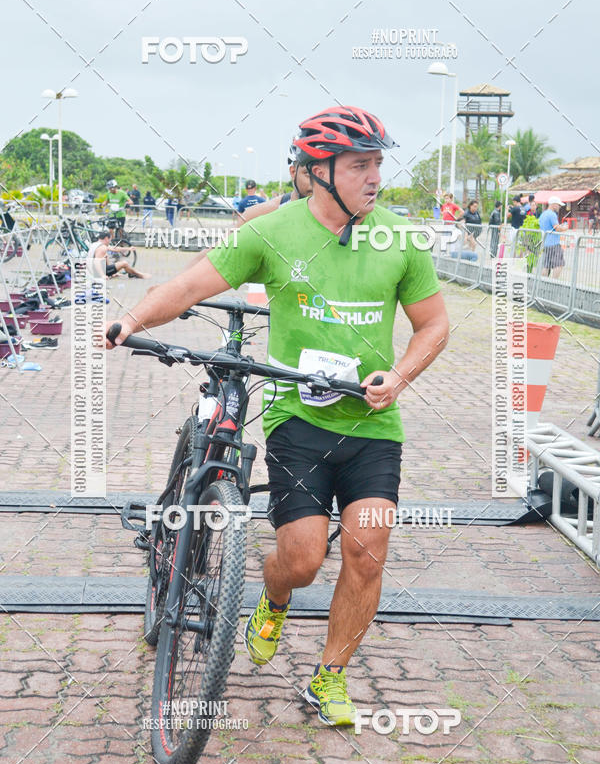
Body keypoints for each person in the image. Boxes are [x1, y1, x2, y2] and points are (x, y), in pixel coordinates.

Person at [106, 105, 449, 727]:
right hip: (299, 416)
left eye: (378, 164)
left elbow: (434, 325)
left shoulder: (398, 238)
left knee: (368, 550)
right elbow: (189, 287)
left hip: (373, 425)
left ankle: (329, 677)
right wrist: (131, 320)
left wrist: (400, 376)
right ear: (319, 172)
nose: (375, 178)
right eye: (359, 166)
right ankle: (273, 598)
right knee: (302, 559)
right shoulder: (271, 232)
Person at [236, 144, 313, 224]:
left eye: (321, 174)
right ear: (293, 172)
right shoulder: (261, 212)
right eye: (308, 173)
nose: (317, 182)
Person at [540, 196, 567, 279]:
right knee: (559, 264)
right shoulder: (552, 214)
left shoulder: (543, 214)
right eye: (558, 205)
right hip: (553, 243)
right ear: (554, 204)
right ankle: (554, 282)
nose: (559, 207)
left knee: (546, 266)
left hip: (545, 243)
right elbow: (557, 228)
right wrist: (565, 228)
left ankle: (543, 282)